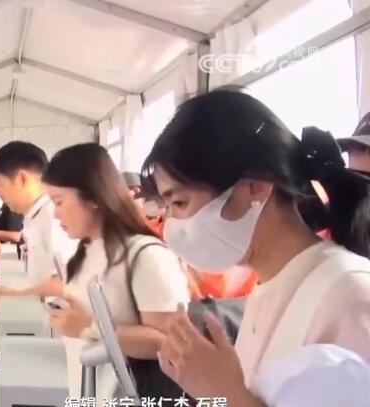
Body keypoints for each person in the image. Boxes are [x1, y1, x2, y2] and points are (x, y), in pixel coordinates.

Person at [143, 89, 370, 404]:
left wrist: (225, 393)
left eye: (180, 202)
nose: (171, 225)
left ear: (255, 187)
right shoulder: (270, 284)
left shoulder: (349, 295)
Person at [39, 143, 188, 401]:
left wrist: (88, 325)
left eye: (59, 201)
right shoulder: (86, 252)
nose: (55, 214)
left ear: (92, 197)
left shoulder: (146, 256)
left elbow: (171, 344)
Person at [0, 141, 77, 298]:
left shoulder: (55, 217)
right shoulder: (34, 215)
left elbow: (71, 281)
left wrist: (14, 295)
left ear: (22, 179)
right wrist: (13, 294)